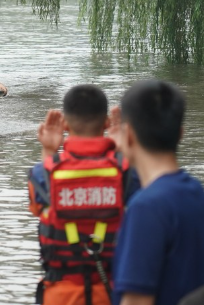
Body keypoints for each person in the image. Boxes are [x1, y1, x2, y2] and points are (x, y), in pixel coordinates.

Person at [27, 84, 139, 305]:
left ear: (65, 125)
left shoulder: (41, 174)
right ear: (106, 123)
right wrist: (122, 152)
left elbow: (40, 201)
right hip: (113, 293)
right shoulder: (128, 174)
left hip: (59, 296)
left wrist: (49, 150)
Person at [109, 80, 204, 305]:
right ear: (180, 134)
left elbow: (136, 301)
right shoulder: (197, 193)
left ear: (129, 135)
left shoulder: (146, 208)